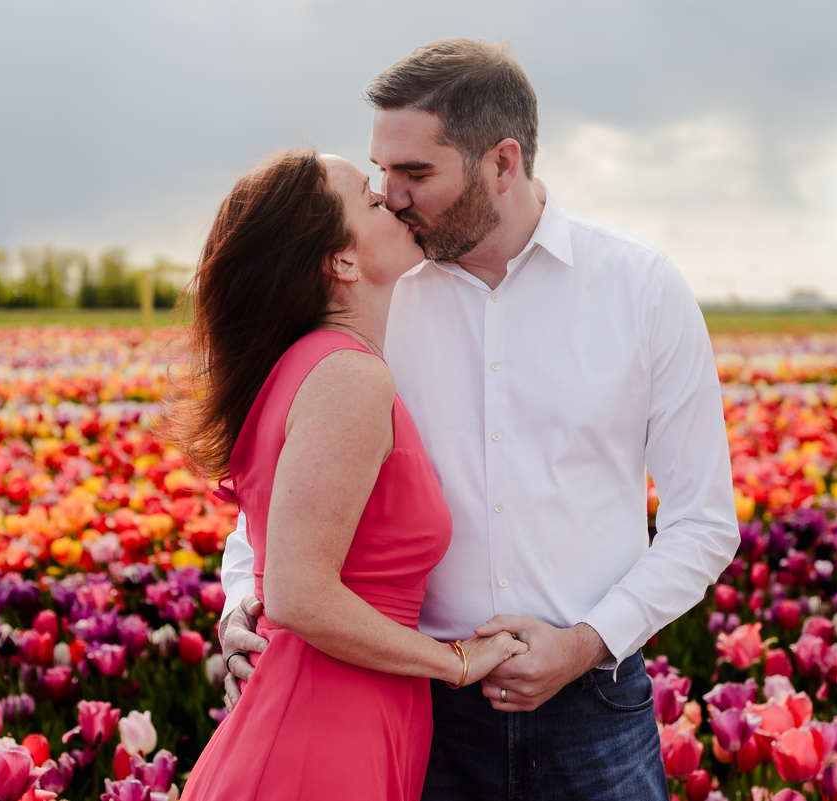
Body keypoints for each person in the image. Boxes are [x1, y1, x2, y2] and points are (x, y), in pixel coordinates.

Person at [219, 39, 740, 800]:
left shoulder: (642, 288)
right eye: (382, 172)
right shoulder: (378, 294)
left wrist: (583, 642)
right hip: (420, 705)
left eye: (415, 173)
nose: (391, 195)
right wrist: (243, 599)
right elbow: (284, 500)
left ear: (502, 164)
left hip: (593, 707)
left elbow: (704, 521)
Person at [158, 149, 527, 801]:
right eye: (373, 200)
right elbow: (300, 592)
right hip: (321, 729)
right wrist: (456, 660)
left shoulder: (315, 365)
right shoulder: (349, 375)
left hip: (340, 712)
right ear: (343, 261)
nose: (397, 202)